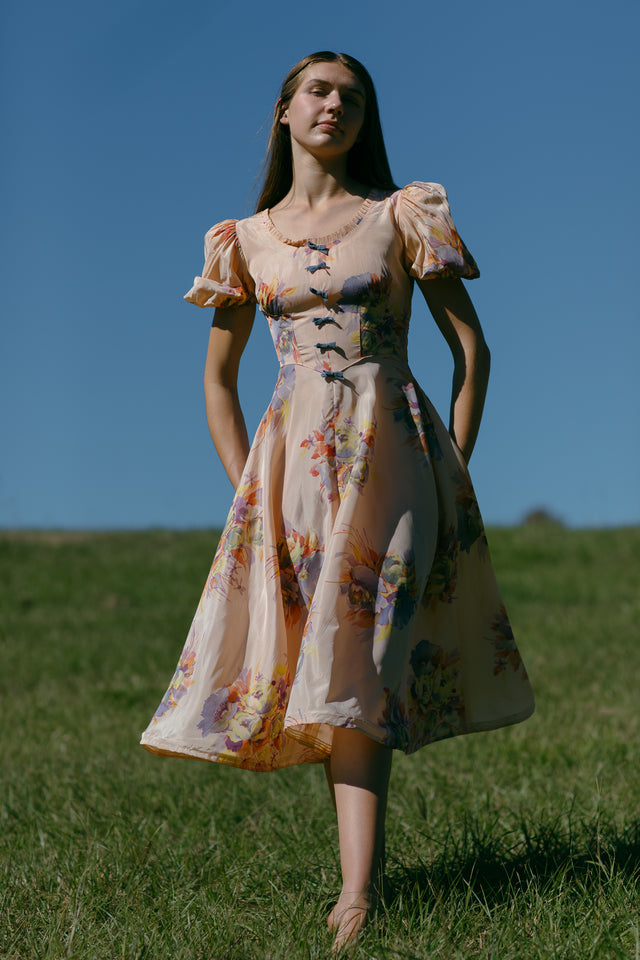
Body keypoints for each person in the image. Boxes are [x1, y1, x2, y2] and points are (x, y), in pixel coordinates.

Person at [141, 51, 535, 951]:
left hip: (398, 468)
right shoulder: (242, 240)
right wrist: (250, 489)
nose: (336, 106)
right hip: (291, 479)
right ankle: (360, 882)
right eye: (319, 92)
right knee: (332, 672)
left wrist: (453, 471)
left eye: (353, 98)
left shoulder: (401, 216)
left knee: (363, 664)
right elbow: (218, 382)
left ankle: (358, 893)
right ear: (284, 112)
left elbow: (471, 356)